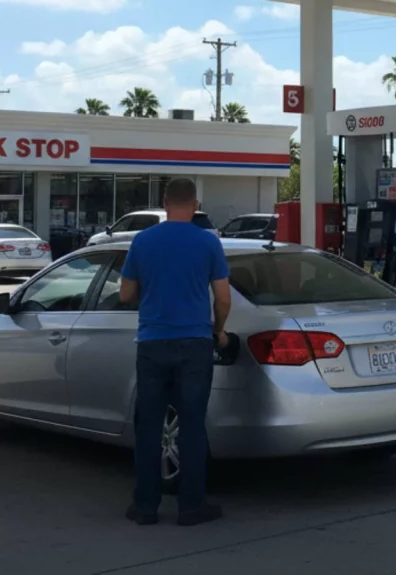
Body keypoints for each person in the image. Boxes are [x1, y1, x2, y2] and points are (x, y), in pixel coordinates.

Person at [119, 177, 231, 526]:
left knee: (149, 425)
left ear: (165, 202)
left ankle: (146, 507)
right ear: (195, 204)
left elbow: (124, 294)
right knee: (192, 425)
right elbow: (223, 298)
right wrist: (218, 330)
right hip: (196, 343)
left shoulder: (143, 240)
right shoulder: (208, 243)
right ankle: (192, 506)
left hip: (152, 342)